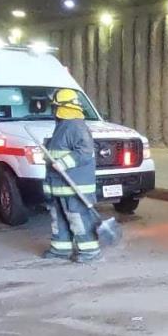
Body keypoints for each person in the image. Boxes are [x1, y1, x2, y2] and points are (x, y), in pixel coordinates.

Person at [42, 88, 100, 262]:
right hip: (59, 185)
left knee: (78, 219)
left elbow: (85, 151)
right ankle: (60, 249)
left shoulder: (75, 125)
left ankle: (90, 251)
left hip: (75, 186)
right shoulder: (62, 126)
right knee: (59, 219)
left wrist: (64, 163)